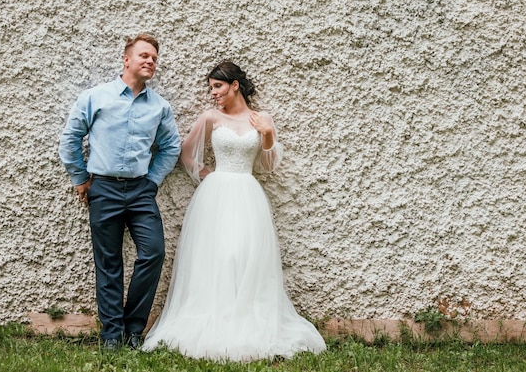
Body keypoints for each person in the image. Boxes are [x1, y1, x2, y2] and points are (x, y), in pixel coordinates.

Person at [142, 61, 326, 361]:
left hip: (248, 193)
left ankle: (244, 320)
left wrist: (267, 134)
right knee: (218, 255)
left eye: (218, 86)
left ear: (235, 85)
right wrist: (208, 176)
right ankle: (214, 317)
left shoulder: (261, 118)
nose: (214, 93)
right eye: (211, 87)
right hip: (215, 195)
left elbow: (267, 165)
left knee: (244, 255)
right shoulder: (211, 117)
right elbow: (185, 154)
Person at [58, 34, 181, 350]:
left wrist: (152, 181)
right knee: (109, 263)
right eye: (144, 55)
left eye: (154, 57)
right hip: (104, 189)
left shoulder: (160, 107)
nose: (150, 61)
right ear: (126, 60)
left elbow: (170, 147)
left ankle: (133, 329)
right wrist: (80, 178)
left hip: (141, 191)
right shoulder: (95, 97)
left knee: (153, 253)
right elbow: (71, 139)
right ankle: (112, 335)